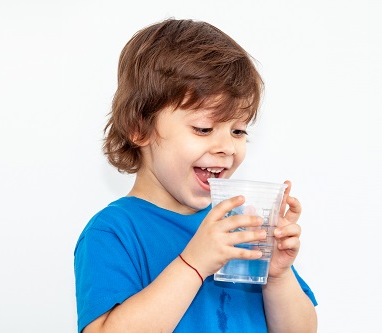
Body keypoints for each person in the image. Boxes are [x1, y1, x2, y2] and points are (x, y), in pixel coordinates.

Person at [74, 18, 317, 333]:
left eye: (238, 130)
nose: (227, 147)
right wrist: (194, 264)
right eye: (204, 128)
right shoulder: (113, 232)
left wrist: (277, 276)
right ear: (139, 127)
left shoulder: (238, 225)